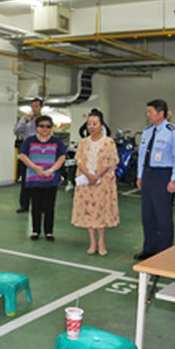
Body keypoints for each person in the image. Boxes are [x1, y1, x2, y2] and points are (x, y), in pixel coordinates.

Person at [134, 99, 175, 260]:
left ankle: (164, 252)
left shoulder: (173, 132)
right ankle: (149, 248)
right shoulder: (147, 131)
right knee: (147, 215)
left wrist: (174, 179)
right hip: (148, 175)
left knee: (163, 216)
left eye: (150, 112)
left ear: (160, 113)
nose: (147, 115)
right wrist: (140, 175)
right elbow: (142, 156)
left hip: (163, 176)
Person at [71, 109, 119, 255]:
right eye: (89, 124)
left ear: (101, 125)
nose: (91, 126)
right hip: (86, 183)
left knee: (100, 212)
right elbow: (79, 161)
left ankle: (101, 242)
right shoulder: (83, 142)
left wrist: (96, 176)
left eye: (94, 123)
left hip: (102, 183)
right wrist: (88, 175)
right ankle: (92, 242)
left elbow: (110, 161)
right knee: (88, 212)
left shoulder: (108, 142)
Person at [19, 115, 67, 241]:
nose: (45, 128)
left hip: (51, 179)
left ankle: (49, 232)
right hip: (34, 179)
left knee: (49, 207)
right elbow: (23, 155)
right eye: (42, 126)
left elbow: (62, 157)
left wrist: (51, 170)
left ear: (51, 128)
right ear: (37, 127)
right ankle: (35, 231)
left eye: (48, 126)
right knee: (36, 206)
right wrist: (35, 168)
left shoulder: (57, 142)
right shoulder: (29, 141)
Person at [13, 98, 43, 213]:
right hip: (27, 154)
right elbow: (16, 131)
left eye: (36, 106)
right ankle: (24, 205)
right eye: (32, 106)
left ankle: (38, 205)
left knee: (39, 181)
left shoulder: (44, 121)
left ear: (40, 107)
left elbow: (50, 134)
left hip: (40, 154)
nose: (34, 109)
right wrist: (25, 120)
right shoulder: (25, 119)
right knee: (25, 181)